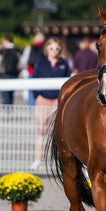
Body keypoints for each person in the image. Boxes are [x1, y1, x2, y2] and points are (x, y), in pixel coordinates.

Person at [31, 38, 71, 169]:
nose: (54, 51)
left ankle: (54, 160)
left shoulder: (63, 63)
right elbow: (34, 79)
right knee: (41, 130)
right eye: (51, 48)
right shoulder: (41, 62)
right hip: (43, 100)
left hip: (56, 102)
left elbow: (68, 82)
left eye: (57, 49)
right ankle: (38, 160)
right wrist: (37, 97)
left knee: (54, 132)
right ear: (47, 49)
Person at [20, 32, 45, 109]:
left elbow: (23, 61)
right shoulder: (45, 48)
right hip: (43, 74)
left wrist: (27, 68)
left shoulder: (30, 47)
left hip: (31, 72)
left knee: (31, 93)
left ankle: (32, 113)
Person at [0, 34, 20, 105]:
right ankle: (10, 111)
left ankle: (7, 112)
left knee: (5, 95)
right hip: (14, 75)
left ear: (6, 41)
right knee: (11, 95)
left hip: (5, 75)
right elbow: (20, 65)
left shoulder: (2, 51)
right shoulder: (16, 50)